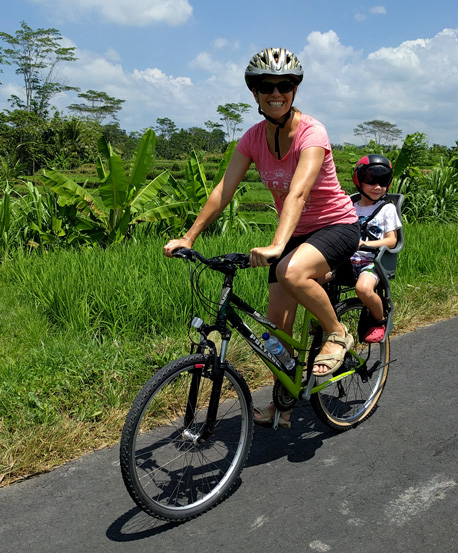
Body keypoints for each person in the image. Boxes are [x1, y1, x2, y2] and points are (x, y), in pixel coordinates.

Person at [163, 48, 360, 428]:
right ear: (254, 92)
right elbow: (224, 189)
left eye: (284, 85)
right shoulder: (253, 138)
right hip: (295, 232)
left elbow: (299, 194)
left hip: (335, 226)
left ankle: (337, 332)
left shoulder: (312, 133)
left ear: (295, 89)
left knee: (290, 271)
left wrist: (275, 245)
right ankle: (283, 403)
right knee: (276, 333)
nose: (276, 92)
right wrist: (189, 236)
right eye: (266, 86)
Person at [347, 154, 402, 343]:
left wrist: (365, 244)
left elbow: (391, 241)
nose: (377, 187)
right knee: (312, 278)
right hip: (346, 259)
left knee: (363, 289)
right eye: (371, 181)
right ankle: (323, 320)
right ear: (359, 181)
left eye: (383, 182)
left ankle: (380, 319)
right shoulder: (349, 206)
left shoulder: (387, 209)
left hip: (372, 262)